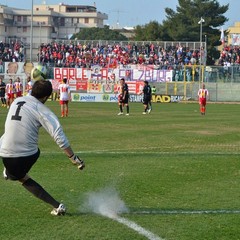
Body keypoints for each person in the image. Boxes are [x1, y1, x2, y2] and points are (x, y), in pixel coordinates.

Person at [0, 80, 85, 216]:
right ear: (46, 97)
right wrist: (73, 158)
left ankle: (9, 172)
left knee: (17, 172)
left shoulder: (17, 101)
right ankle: (57, 206)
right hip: (26, 155)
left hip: (4, 152)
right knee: (21, 175)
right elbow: (59, 136)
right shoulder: (41, 108)